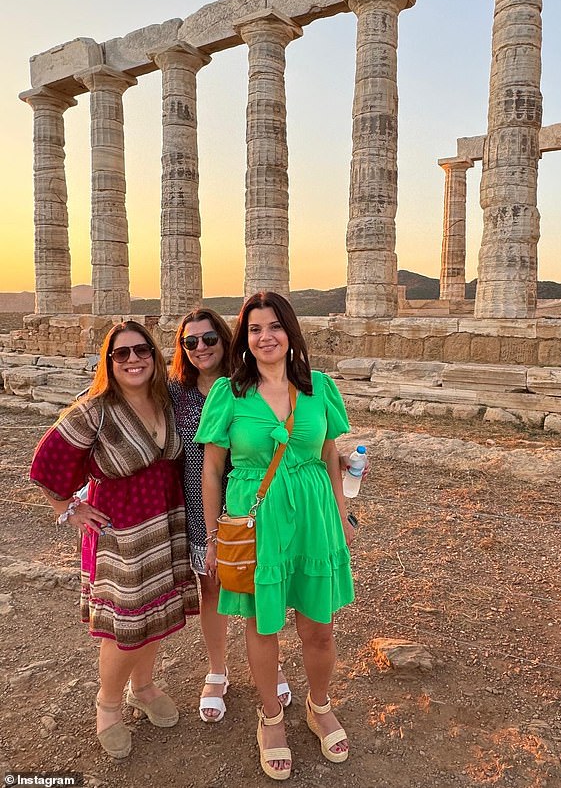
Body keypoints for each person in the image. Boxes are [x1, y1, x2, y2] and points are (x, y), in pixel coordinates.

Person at [195, 291, 356, 780]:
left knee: (318, 626)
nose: (265, 337)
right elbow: (212, 469)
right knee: (263, 626)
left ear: (290, 332)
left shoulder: (321, 388)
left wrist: (344, 516)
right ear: (245, 339)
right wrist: (213, 537)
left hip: (313, 518)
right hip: (253, 518)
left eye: (274, 327)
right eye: (255, 329)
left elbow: (331, 459)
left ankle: (319, 704)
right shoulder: (228, 393)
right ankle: (270, 718)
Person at [30, 321, 199, 759]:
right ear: (109, 362)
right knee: (126, 624)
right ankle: (107, 705)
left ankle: (142, 688)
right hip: (122, 530)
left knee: (154, 614)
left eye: (140, 350)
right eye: (120, 354)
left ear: (154, 355)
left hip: (165, 521)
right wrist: (67, 507)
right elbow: (46, 462)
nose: (132, 360)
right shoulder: (95, 409)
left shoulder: (166, 400)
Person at [168, 308, 292, 722]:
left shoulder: (249, 385)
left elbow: (286, 438)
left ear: (224, 339)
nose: (200, 348)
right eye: (191, 342)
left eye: (209, 339)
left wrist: (337, 460)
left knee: (262, 589)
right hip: (199, 504)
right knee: (214, 589)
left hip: (252, 504)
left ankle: (269, 669)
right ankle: (217, 670)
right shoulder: (174, 392)